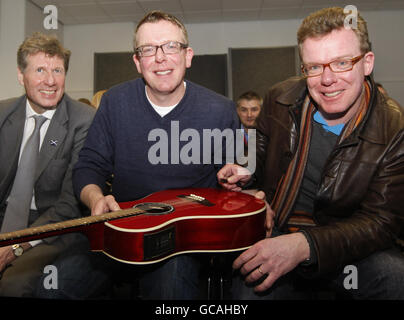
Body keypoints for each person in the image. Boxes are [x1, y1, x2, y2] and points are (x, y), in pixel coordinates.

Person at [218, 6, 404, 300]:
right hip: (276, 229)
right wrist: (246, 169)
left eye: (341, 63)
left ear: (367, 63)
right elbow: (259, 147)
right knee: (247, 286)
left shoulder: (395, 127)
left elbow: (381, 223)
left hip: (347, 247)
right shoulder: (279, 97)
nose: (327, 80)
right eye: (314, 67)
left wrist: (304, 245)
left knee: (396, 278)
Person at [71, 11, 239, 300]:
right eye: (148, 49)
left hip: (186, 241)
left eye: (171, 46)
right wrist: (96, 198)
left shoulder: (221, 109)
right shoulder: (114, 102)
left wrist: (236, 178)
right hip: (120, 234)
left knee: (170, 287)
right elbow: (88, 166)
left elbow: (242, 174)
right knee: (57, 285)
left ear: (188, 56)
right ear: (138, 62)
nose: (160, 58)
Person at [0, 32, 95, 297]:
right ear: (21, 75)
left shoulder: (83, 120)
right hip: (5, 217)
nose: (50, 81)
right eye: (40, 70)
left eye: (58, 70)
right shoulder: (3, 113)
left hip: (51, 227)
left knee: (13, 287)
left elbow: (69, 204)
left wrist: (15, 247)